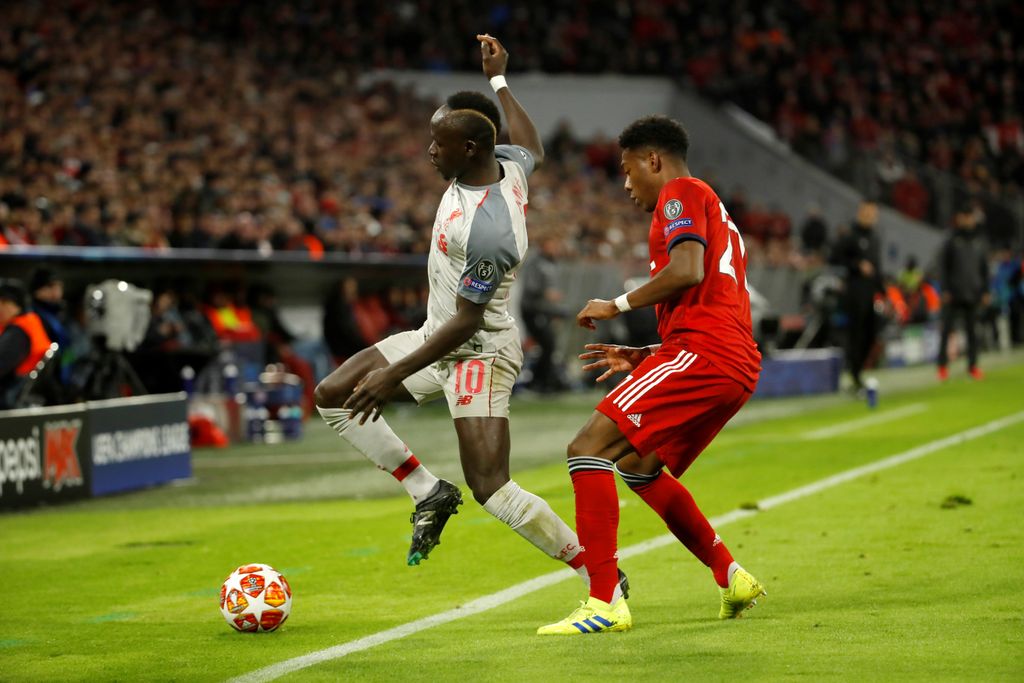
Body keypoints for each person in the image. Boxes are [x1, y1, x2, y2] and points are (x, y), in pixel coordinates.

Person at [314, 35, 626, 602]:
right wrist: (499, 81)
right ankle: (427, 490)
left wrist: (392, 373)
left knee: (492, 489)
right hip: (438, 336)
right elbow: (532, 145)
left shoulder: (489, 230)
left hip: (478, 351)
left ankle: (597, 573)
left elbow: (466, 323)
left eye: (440, 142)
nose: (430, 150)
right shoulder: (506, 163)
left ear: (472, 147)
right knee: (334, 394)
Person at [538, 115, 764, 635]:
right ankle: (730, 574)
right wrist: (648, 354)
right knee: (638, 464)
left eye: (627, 169)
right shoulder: (710, 203)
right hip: (726, 357)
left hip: (707, 354)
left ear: (653, 161)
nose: (625, 183)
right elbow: (708, 299)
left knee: (586, 447)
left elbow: (688, 271)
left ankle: (603, 601)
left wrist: (615, 304)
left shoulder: (680, 192)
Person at [834, 200, 883, 391]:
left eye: (874, 213)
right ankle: (855, 375)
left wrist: (883, 290)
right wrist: (856, 265)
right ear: (861, 213)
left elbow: (877, 267)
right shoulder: (851, 235)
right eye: (868, 212)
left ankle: (858, 370)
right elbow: (836, 256)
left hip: (871, 292)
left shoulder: (875, 238)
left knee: (871, 334)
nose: (871, 216)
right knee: (856, 334)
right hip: (855, 291)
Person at [937, 206, 990, 380]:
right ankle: (942, 366)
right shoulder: (951, 239)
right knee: (947, 329)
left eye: (969, 217)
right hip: (953, 292)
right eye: (964, 216)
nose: (967, 220)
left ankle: (973, 366)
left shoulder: (979, 240)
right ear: (959, 218)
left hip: (973, 292)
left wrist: (985, 290)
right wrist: (944, 289)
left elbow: (984, 268)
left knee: (972, 331)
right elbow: (943, 266)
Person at [519, 233, 569, 393]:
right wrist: (545, 292)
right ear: (543, 245)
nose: (555, 249)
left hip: (544, 310)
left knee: (549, 345)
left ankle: (542, 381)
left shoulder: (552, 262)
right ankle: (537, 382)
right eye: (552, 245)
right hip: (532, 309)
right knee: (547, 344)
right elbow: (531, 287)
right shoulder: (535, 262)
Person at [0, 279, 54, 409]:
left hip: (12, 403)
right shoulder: (27, 322)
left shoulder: (17, 333)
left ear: (13, 305)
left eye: (2, 303)